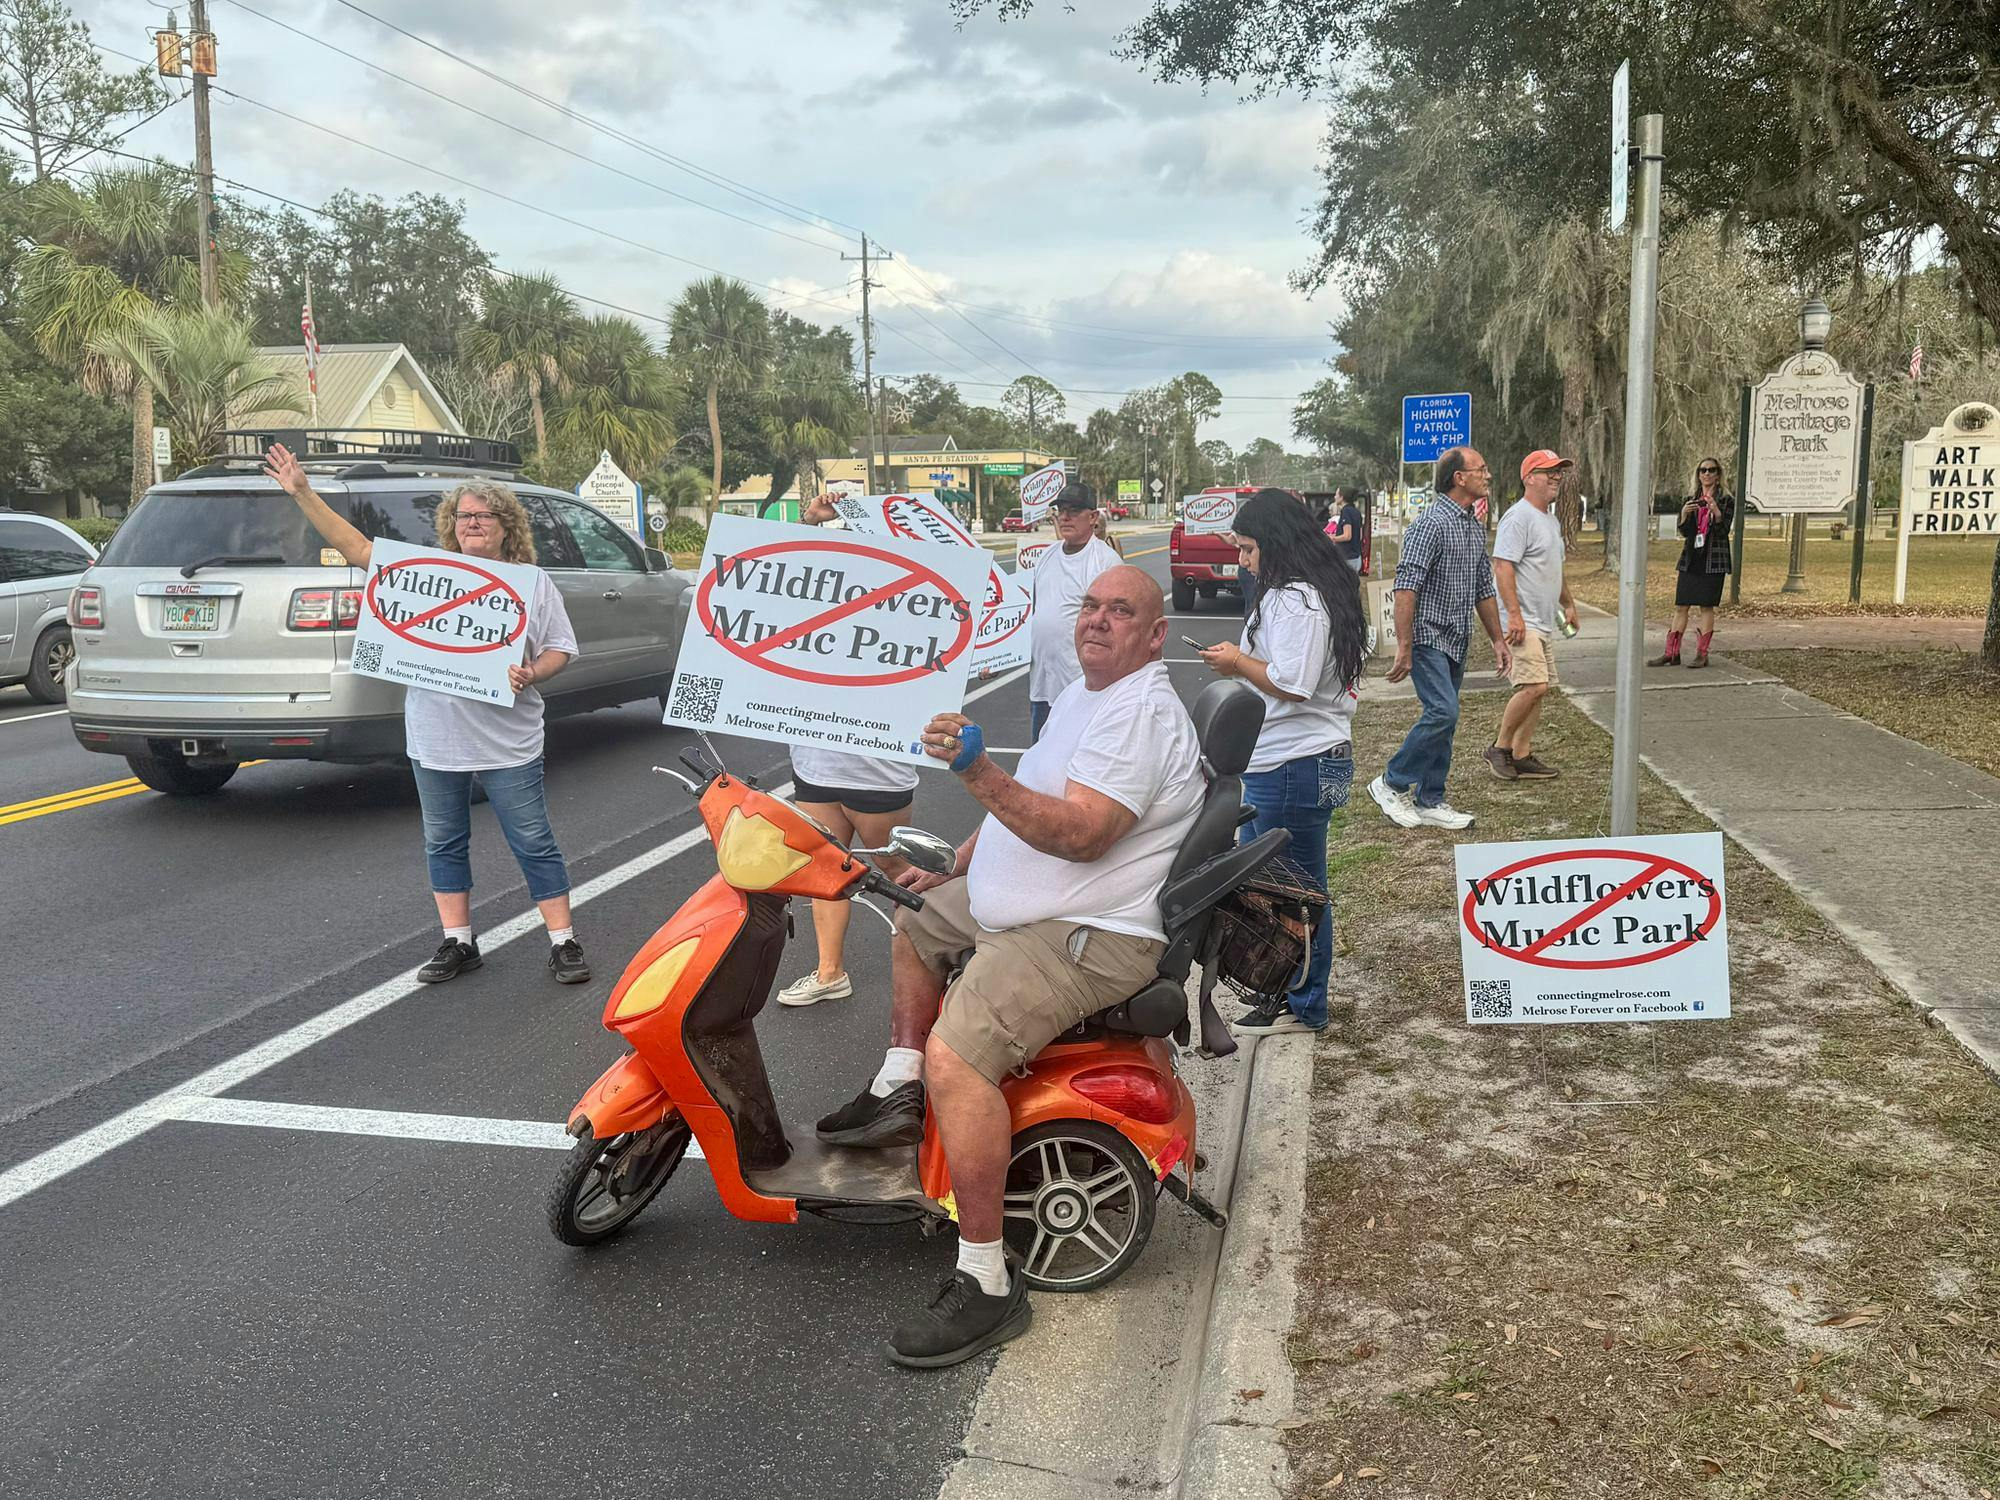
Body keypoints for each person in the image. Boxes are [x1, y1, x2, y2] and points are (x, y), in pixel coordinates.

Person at [816, 565, 1203, 1368]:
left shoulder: (1140, 715)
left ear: (1155, 634)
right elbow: (1031, 795)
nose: (1097, 621)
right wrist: (959, 864)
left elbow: (1081, 834)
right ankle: (899, 1085)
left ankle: (988, 1282)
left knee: (958, 1063)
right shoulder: (1084, 696)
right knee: (914, 921)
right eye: (1089, 606)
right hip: (1032, 908)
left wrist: (972, 769)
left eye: (1120, 611)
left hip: (1087, 932)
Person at [262, 443, 590, 985]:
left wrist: (533, 673)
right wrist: (301, 491)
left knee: (531, 839)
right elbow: (356, 547)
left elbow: (560, 648)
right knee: (443, 839)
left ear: (506, 526)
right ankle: (457, 942)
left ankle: (563, 940)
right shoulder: (420, 574)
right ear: (451, 526)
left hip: (509, 740)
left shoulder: (531, 583)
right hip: (435, 736)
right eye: (463, 517)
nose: (473, 524)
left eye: (484, 516)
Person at [1195, 491, 1367, 1036]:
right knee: (1295, 884)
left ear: (1275, 543)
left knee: (1294, 889)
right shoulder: (1317, 591)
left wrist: (1236, 661)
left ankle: (1303, 1002)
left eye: (1248, 549)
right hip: (1316, 757)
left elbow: (1292, 684)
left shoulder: (1296, 599)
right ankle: (1294, 996)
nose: (1243, 561)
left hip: (1297, 762)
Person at [774, 494, 920, 1006]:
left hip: (876, 767)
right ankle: (829, 971)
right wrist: (810, 523)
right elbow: (777, 577)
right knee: (827, 868)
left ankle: (930, 965)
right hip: (815, 759)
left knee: (900, 874)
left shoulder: (905, 599)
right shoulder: (807, 598)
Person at [1367, 447, 1512, 831]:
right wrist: (1404, 645)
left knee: (1447, 720)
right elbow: (1406, 586)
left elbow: (1484, 587)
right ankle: (1390, 782)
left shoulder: (1471, 524)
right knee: (1442, 712)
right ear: (1458, 478)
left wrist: (1497, 639)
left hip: (1457, 637)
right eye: (1480, 469)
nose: (1488, 475)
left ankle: (1431, 798)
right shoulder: (1429, 524)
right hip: (1428, 635)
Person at [1485, 451, 1581, 782]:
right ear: (1529, 478)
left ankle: (1522, 754)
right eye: (1548, 472)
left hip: (1542, 620)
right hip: (1522, 620)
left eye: (1559, 472)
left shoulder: (1550, 520)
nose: (1556, 477)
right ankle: (1499, 748)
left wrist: (1568, 603)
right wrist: (1513, 614)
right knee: (1534, 685)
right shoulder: (1519, 517)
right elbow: (1502, 566)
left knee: (1542, 687)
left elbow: (1555, 569)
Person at [1025, 482, 1119, 741]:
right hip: (1042, 687)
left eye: (1074, 511)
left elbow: (1117, 629)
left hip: (1081, 689)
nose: (1065, 517)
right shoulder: (1046, 556)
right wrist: (1000, 656)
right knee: (1040, 771)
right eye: (1060, 510)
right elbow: (1029, 614)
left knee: (1075, 771)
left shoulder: (1105, 562)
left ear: (1093, 517)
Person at [1651, 459, 1735, 669]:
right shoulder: (1692, 499)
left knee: (1706, 606)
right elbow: (1687, 532)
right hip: (1692, 558)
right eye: (1702, 470)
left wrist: (1715, 512)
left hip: (1713, 558)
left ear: (1718, 475)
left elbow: (1723, 530)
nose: (1706, 474)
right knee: (1681, 605)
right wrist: (1684, 514)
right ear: (1698, 475)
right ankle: (1671, 653)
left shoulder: (1726, 500)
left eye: (1711, 470)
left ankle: (1702, 653)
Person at [1325, 487, 1365, 574]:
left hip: (1348, 558)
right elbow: (1360, 536)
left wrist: (1332, 538)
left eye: (1336, 494)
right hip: (1357, 558)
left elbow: (1347, 536)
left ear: (1342, 497)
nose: (1335, 497)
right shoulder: (1356, 512)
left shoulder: (1346, 511)